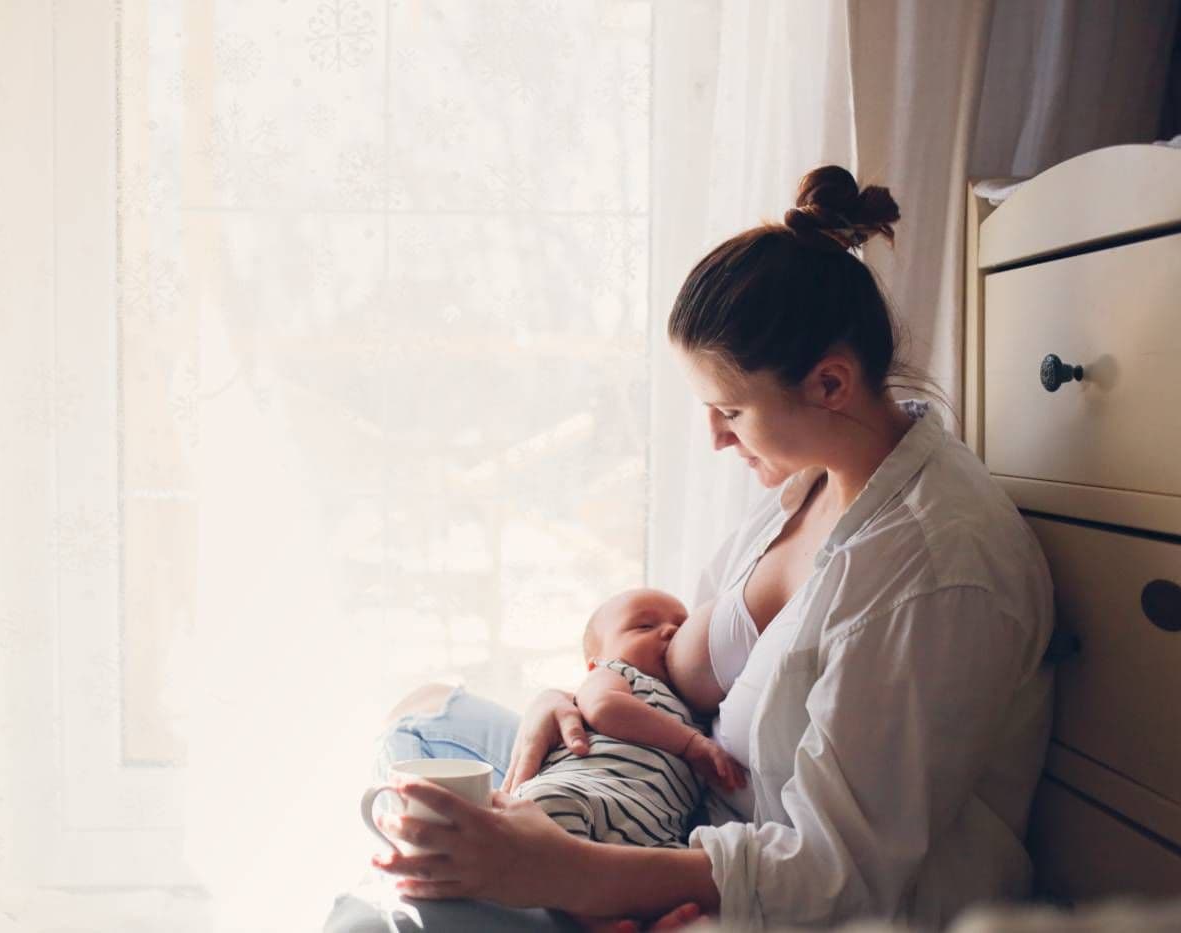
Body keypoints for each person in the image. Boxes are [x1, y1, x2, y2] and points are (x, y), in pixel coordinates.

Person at [358, 165, 1055, 931]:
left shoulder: (932, 572)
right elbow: (685, 675)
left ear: (830, 383)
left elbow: (839, 877)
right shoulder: (816, 483)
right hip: (669, 802)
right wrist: (574, 705)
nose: (716, 438)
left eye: (729, 409)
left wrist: (563, 869)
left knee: (410, 904)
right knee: (421, 723)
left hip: (753, 890)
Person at [511, 587, 746, 849]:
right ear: (596, 662)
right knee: (544, 807)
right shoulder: (617, 673)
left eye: (682, 625)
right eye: (644, 626)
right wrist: (690, 743)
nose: (670, 630)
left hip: (653, 835)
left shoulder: (696, 710)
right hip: (583, 794)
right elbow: (604, 707)